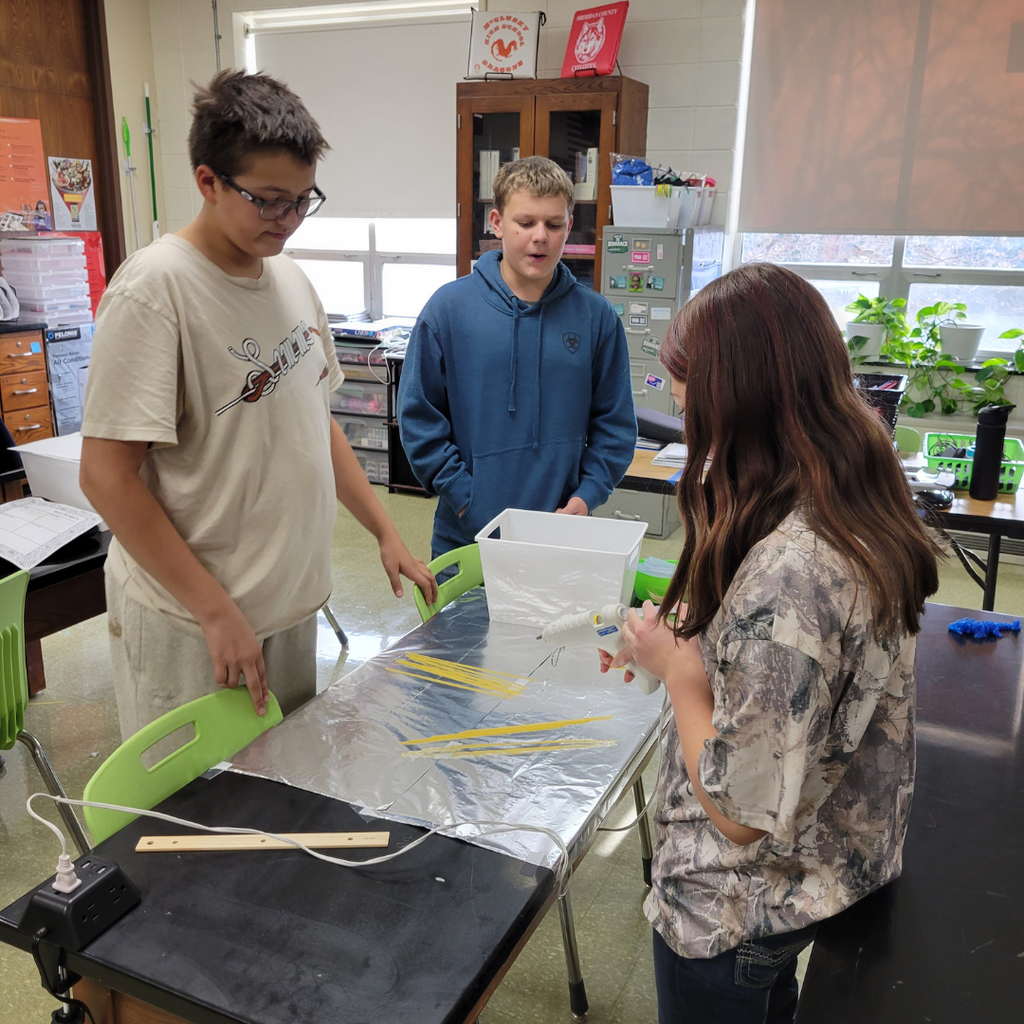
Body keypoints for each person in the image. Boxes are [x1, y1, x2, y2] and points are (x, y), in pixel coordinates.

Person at [602, 263, 941, 1024]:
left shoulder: (793, 572)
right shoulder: (848, 481)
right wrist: (691, 634)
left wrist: (681, 673)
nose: (681, 415)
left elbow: (740, 812)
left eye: (691, 405)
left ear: (740, 399)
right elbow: (790, 665)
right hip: (818, 872)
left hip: (737, 907)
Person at [80, 70, 436, 740]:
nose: (290, 221)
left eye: (304, 200)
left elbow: (313, 420)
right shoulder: (155, 292)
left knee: (281, 802)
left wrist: (384, 530)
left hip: (286, 607)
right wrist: (215, 611)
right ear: (208, 182)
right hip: (195, 619)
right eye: (270, 201)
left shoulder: (290, 279)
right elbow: (105, 475)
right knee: (197, 823)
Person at [397, 156, 636, 557]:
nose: (540, 236)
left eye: (553, 224)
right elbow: (419, 419)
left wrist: (589, 493)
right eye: (525, 223)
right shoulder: (448, 310)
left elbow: (615, 424)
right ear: (496, 223)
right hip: (469, 537)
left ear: (569, 227)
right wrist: (466, 498)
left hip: (562, 536)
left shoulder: (597, 318)